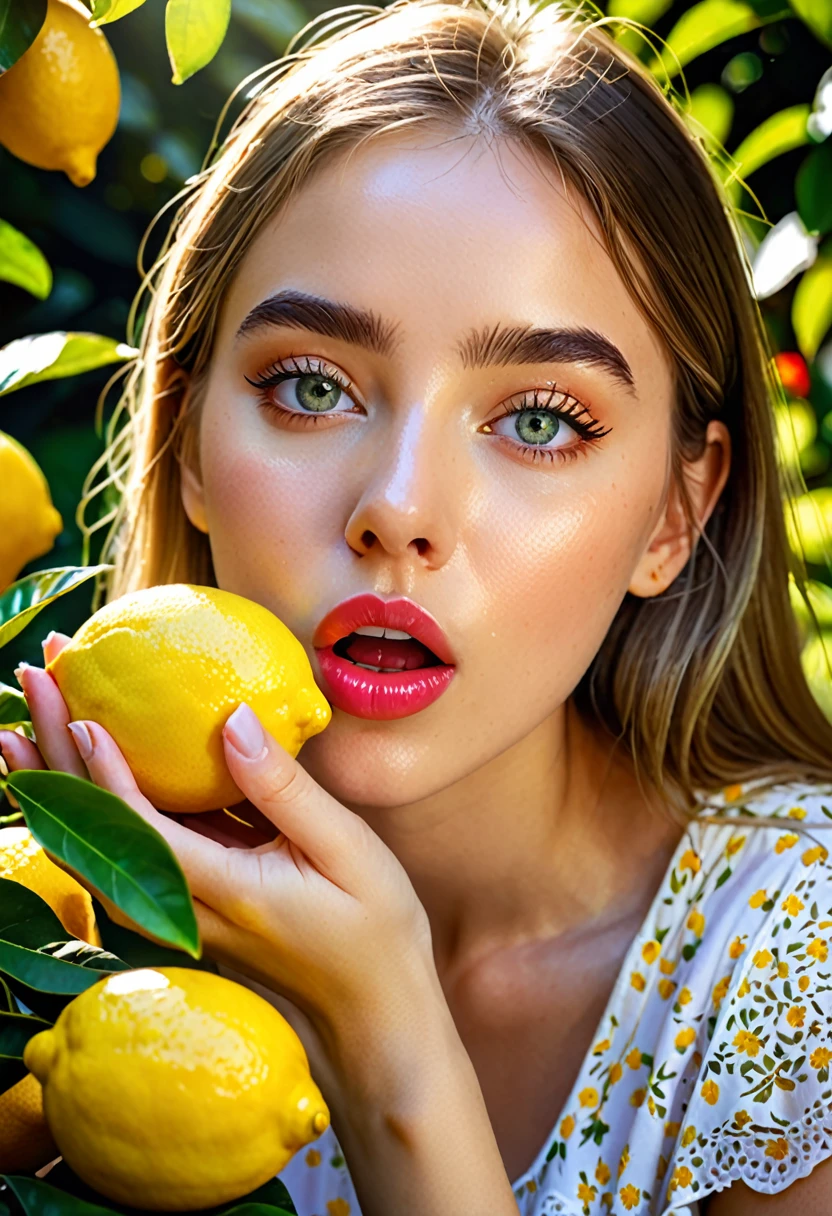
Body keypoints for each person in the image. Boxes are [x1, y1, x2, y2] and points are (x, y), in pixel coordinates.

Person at [4, 0, 832, 1211]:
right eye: (311, 386)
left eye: (539, 420)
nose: (397, 509)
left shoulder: (794, 973)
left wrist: (387, 1044)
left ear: (674, 513)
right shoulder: (54, 948)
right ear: (184, 441)